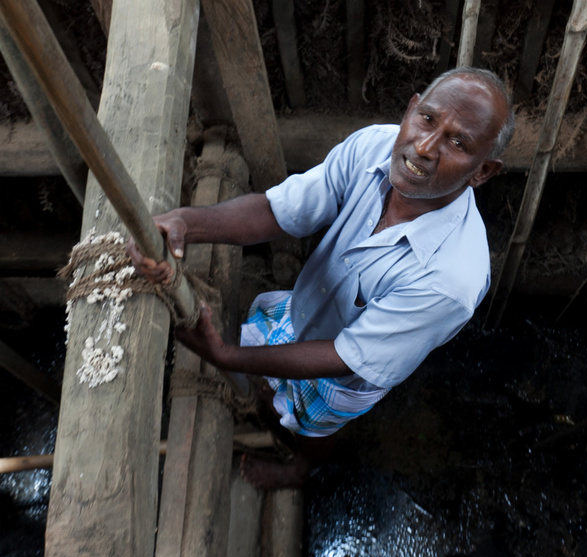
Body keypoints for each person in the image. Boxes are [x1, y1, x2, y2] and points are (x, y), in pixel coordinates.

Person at [128, 67, 516, 488]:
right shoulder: (375, 146)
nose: (424, 147)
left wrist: (225, 355)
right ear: (411, 109)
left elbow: (345, 356)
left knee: (311, 427)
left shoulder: (452, 280)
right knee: (268, 393)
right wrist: (186, 221)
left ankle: (301, 470)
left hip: (340, 373)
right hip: (302, 311)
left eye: (458, 143)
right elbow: (280, 210)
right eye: (427, 119)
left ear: (483, 172)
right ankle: (273, 409)